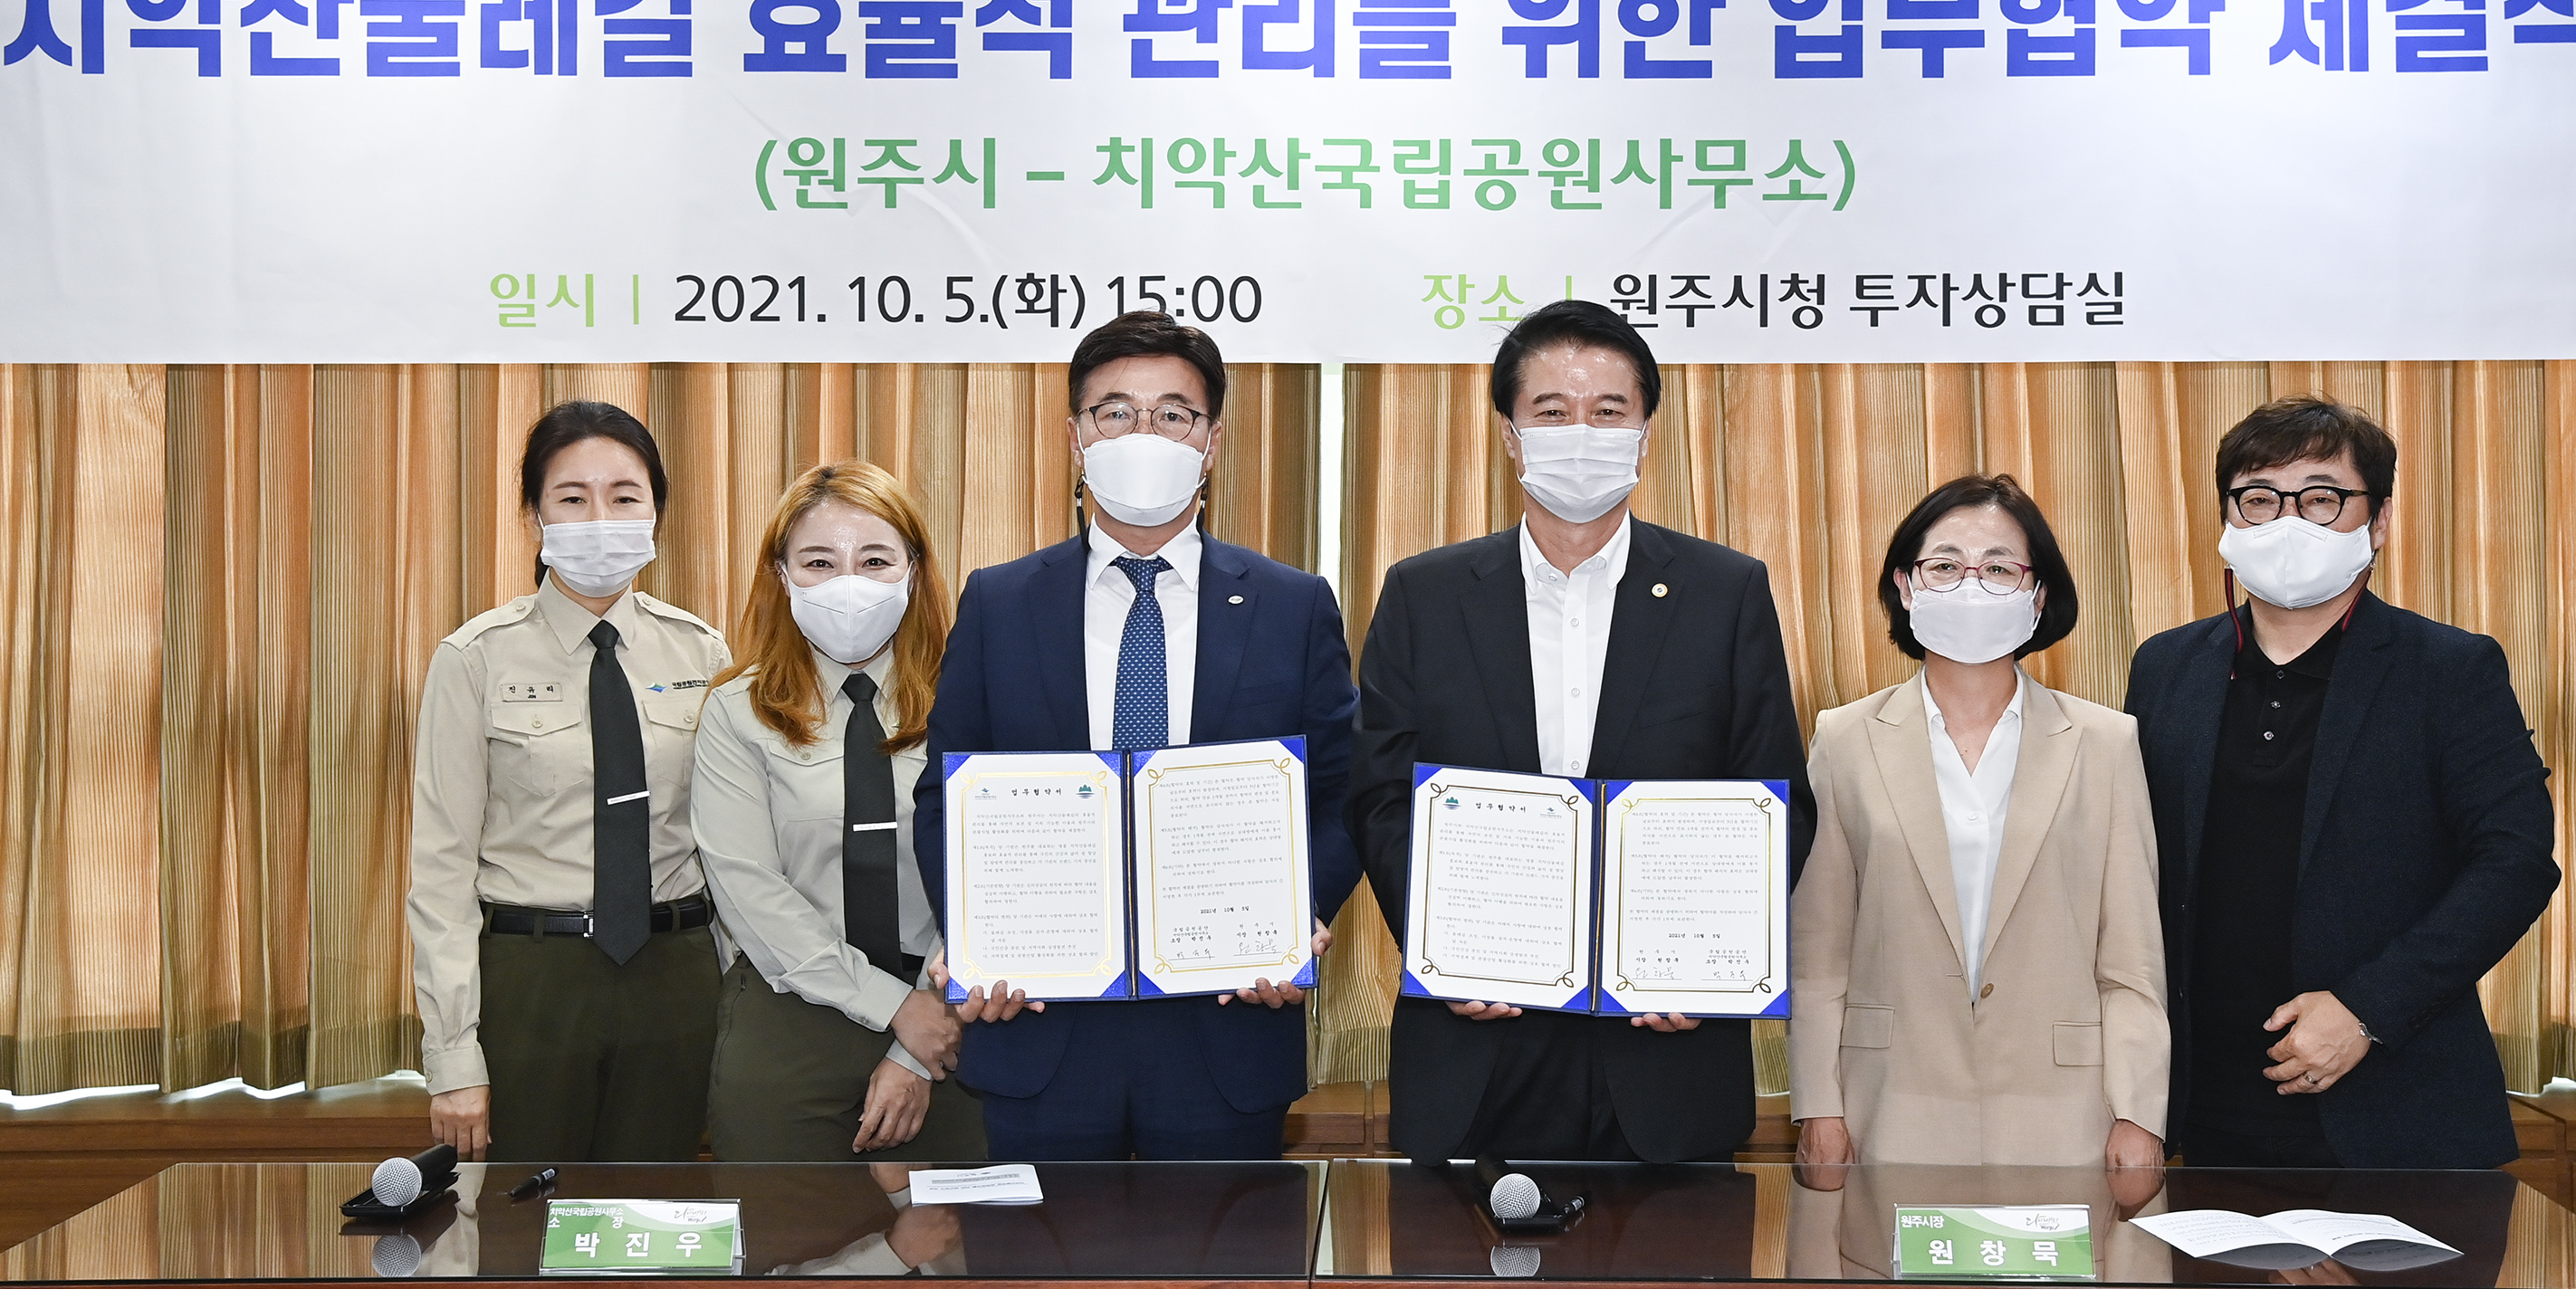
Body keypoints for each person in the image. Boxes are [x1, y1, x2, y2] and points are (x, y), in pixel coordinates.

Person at [1346, 299, 1813, 1167]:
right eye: (1552, 411)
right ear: (1510, 434)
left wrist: (1708, 966)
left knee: (1677, 1264)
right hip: (1477, 1044)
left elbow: (1774, 799)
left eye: (1607, 411)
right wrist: (1447, 951)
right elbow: (1380, 795)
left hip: (1665, 1048)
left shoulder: (1725, 593)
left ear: (1645, 433)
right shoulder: (1424, 595)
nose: (1581, 433)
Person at [915, 311, 1361, 1160]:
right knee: (1039, 1253)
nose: (1143, 433)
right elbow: (947, 795)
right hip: (1038, 1021)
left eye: (1172, 414)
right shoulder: (999, 602)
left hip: (1227, 1021)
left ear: (1212, 442)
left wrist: (1296, 920)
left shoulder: (1292, 604)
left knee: (1223, 1253)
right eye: (1116, 412)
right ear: (1076, 436)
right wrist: (973, 938)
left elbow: (1339, 793)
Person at [2123, 396, 2559, 1170]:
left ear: (2378, 520)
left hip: (2394, 1104)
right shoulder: (2166, 666)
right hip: (2206, 1107)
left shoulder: (2449, 669)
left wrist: (2367, 1011)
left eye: (2322, 499)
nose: (2287, 523)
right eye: (2260, 499)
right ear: (2227, 520)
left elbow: (2515, 863)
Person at [1788, 475, 2170, 1173]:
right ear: (1906, 587)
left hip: (2067, 1114)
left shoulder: (2105, 742)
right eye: (1945, 566)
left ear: (2038, 594)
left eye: (1998, 568)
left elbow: (2131, 961)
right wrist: (1819, 1104)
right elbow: (1819, 956)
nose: (1971, 585)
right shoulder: (1844, 738)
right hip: (1888, 1106)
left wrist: (2139, 1113)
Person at [407, 400, 730, 1162]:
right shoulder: (475, 658)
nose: (600, 519)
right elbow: (441, 870)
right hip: (533, 978)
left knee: (658, 1213)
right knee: (523, 1217)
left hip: (676, 971)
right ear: (535, 515)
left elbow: (730, 847)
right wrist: (453, 1055)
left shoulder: (703, 654)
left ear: (656, 513)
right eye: (573, 498)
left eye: (625, 497)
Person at [690, 461, 982, 1162]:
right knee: (789, 1226)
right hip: (795, 1008)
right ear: (782, 575)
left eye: (875, 560)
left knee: (960, 1229)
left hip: (951, 1013)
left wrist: (919, 1035)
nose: (848, 583)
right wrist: (892, 1007)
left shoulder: (972, 696)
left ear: (914, 571)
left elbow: (994, 872)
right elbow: (748, 889)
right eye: (819, 562)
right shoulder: (737, 710)